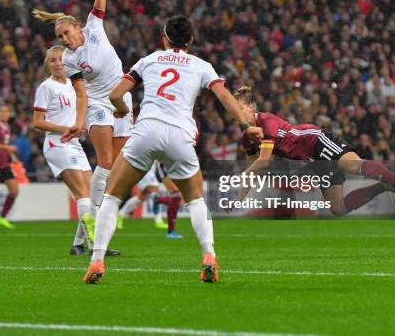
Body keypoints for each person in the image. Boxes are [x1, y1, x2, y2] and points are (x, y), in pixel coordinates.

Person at [83, 14, 262, 284]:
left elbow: (115, 95)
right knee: (196, 200)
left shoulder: (149, 60)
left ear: (163, 38)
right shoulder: (202, 65)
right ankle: (209, 255)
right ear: (190, 40)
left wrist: (121, 111)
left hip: (147, 130)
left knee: (112, 196)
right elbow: (224, 95)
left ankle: (97, 259)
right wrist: (244, 125)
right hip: (180, 135)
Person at [33, 0, 132, 231]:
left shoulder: (95, 27)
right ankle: (95, 220)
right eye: (60, 37)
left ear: (78, 28)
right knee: (106, 161)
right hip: (98, 102)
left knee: (118, 167)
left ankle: (90, 219)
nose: (64, 40)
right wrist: (79, 122)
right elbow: (80, 94)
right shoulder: (69, 59)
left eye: (67, 33)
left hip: (122, 97)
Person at [233, 86, 395, 215]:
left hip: (315, 140)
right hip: (313, 159)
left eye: (241, 109)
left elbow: (263, 161)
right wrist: (238, 200)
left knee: (352, 165)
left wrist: (245, 172)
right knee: (337, 209)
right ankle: (383, 186)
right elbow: (252, 174)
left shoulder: (267, 122)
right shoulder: (248, 140)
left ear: (251, 107)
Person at [33, 45, 96, 255]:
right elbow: (38, 122)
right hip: (56, 143)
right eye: (53, 60)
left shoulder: (73, 84)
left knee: (94, 196)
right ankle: (96, 246)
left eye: (61, 59)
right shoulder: (46, 87)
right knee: (83, 195)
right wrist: (66, 129)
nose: (58, 63)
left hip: (73, 143)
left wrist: (80, 126)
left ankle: (78, 244)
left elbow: (76, 115)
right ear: (48, 65)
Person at [117, 160, 184, 239]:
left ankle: (121, 214)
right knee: (155, 191)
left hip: (150, 165)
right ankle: (158, 220)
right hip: (145, 164)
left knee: (142, 196)